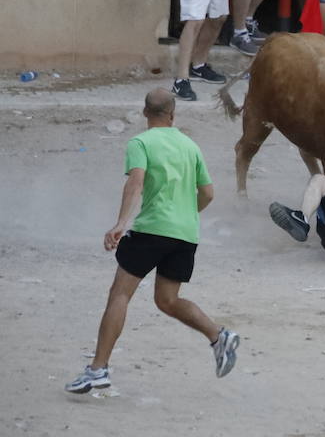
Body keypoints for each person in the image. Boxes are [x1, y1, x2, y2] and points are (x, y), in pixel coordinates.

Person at [64, 89, 239, 394]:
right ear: (172, 115)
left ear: (146, 113)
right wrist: (186, 213)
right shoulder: (190, 145)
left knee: (119, 295)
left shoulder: (140, 143)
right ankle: (218, 335)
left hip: (152, 230)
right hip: (185, 234)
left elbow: (136, 181)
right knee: (167, 300)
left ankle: (98, 370)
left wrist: (121, 223)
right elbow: (208, 193)